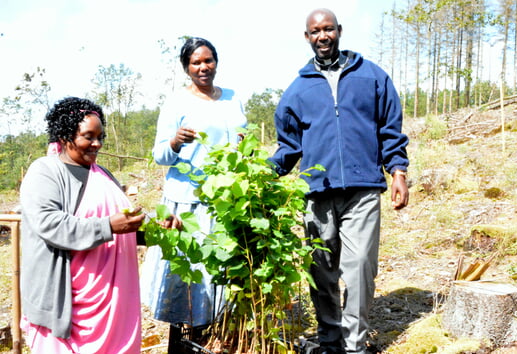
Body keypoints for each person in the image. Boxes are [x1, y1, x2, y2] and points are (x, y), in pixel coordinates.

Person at [269, 8, 410, 354]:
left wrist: (398, 172)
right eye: (315, 31)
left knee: (360, 266)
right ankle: (330, 341)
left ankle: (355, 345)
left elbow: (390, 130)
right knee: (321, 272)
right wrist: (260, 175)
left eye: (328, 29)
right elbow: (288, 148)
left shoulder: (372, 77)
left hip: (362, 189)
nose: (322, 36)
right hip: (317, 194)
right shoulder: (297, 90)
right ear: (307, 37)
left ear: (339, 31)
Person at [19, 96, 180, 353]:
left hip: (113, 300)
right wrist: (108, 226)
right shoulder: (45, 172)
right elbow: (49, 225)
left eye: (100, 136)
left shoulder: (103, 174)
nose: (97, 144)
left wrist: (156, 229)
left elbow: (124, 226)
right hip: (68, 300)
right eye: (88, 136)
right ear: (64, 137)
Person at [139, 37, 247, 348]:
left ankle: (218, 339)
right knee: (189, 278)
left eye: (208, 60)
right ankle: (184, 343)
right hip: (188, 204)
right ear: (186, 68)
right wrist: (175, 142)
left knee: (222, 274)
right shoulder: (176, 102)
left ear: (216, 62)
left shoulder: (233, 98)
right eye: (196, 63)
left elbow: (243, 140)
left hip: (226, 201)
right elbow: (160, 154)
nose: (203, 67)